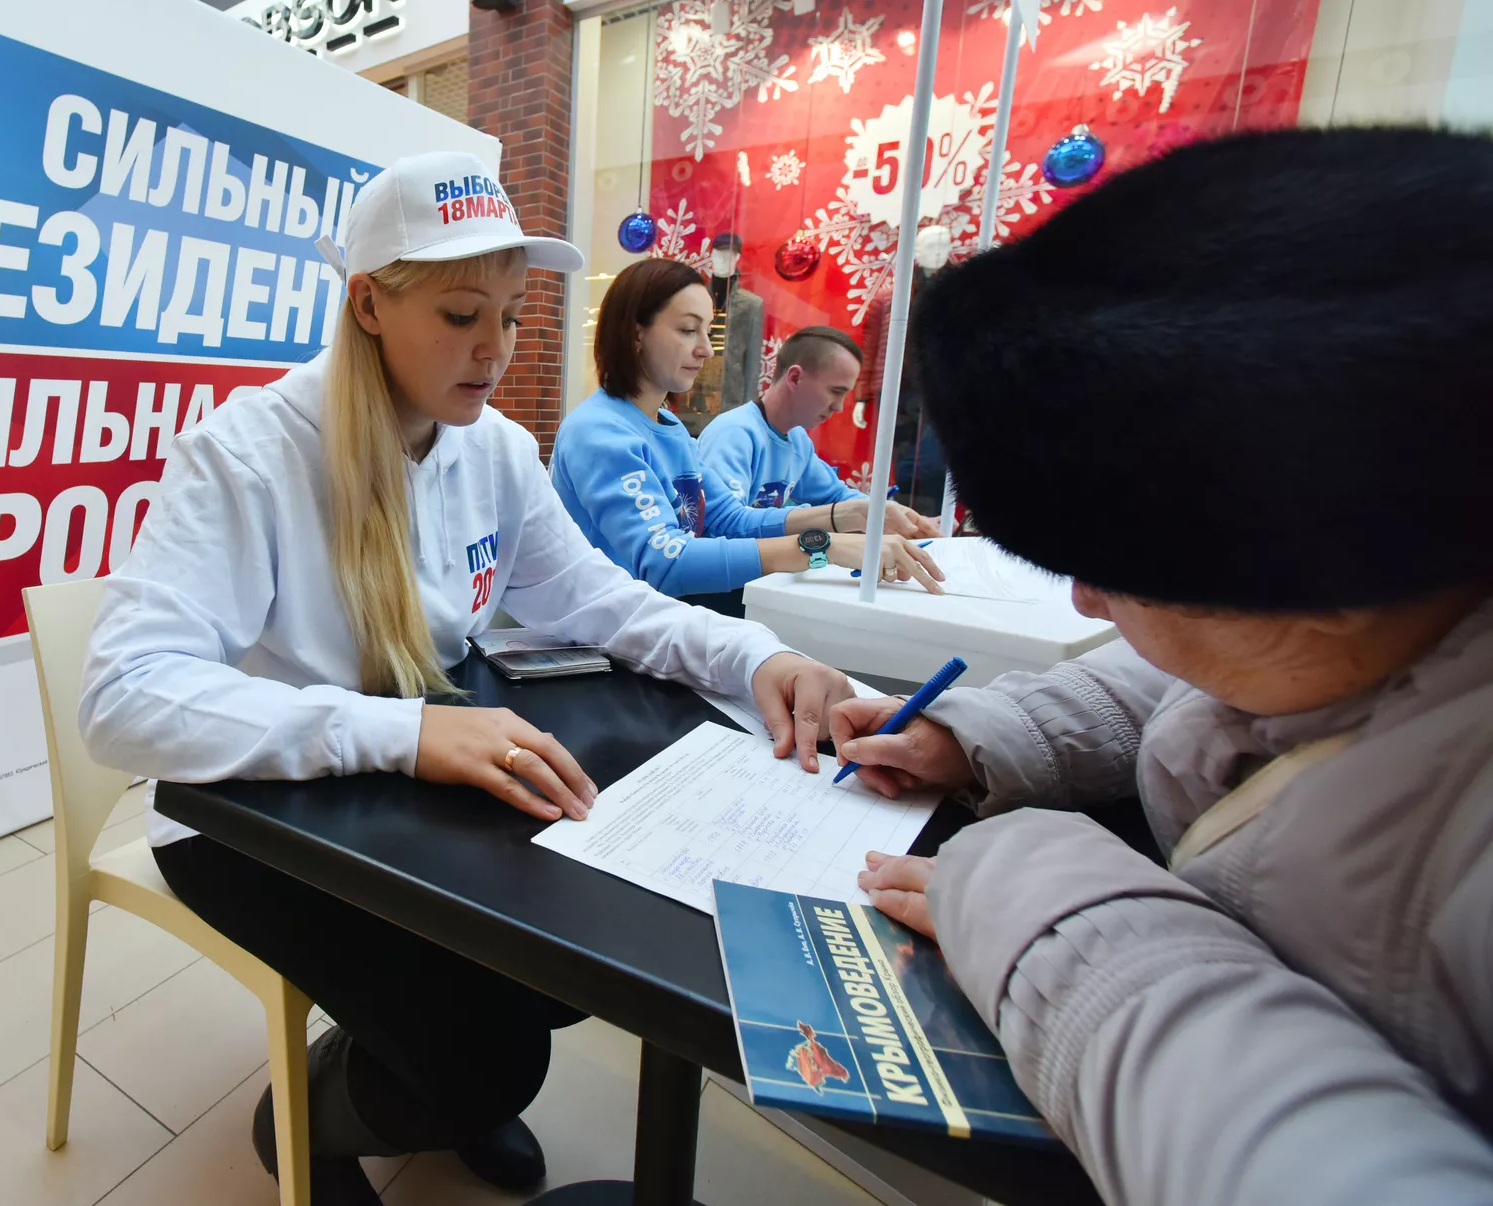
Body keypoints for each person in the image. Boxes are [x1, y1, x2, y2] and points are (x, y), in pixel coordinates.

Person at [78, 151, 856, 1206]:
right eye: (458, 316)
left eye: (512, 315)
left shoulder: (491, 448)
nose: (495, 350)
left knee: (566, 961)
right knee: (486, 1054)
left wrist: (760, 656)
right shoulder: (248, 454)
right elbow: (123, 698)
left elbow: (600, 599)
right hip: (249, 820)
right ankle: (310, 1121)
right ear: (367, 304)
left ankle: (422, 1078)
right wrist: (400, 732)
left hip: (401, 789)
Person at [827, 127, 1493, 1204]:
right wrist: (982, 732)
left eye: (1112, 570)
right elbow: (1199, 687)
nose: (1086, 602)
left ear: (1311, 574)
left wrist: (1036, 905)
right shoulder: (1384, 627)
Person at [550, 258, 942, 617]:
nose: (706, 349)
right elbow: (664, 561)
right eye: (688, 330)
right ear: (636, 333)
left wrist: (855, 514)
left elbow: (729, 519)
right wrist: (823, 546)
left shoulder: (670, 428)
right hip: (597, 636)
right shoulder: (599, 431)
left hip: (654, 620)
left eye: (707, 330)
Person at [698, 323, 938, 536]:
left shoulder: (797, 439)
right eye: (836, 391)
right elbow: (723, 524)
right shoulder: (733, 434)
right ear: (795, 378)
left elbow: (836, 497)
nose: (839, 406)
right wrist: (829, 518)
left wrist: (904, 519)